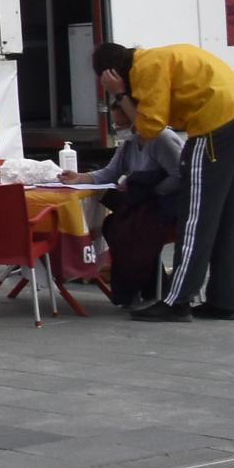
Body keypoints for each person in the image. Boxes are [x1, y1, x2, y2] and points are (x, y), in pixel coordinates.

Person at [92, 41, 234, 322]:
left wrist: (120, 95)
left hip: (213, 129)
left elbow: (150, 128)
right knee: (228, 217)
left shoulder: (146, 69)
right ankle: (224, 300)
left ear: (115, 72)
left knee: (196, 217)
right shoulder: (157, 57)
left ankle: (177, 300)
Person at [87, 94, 188, 309]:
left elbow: (180, 175)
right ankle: (145, 285)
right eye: (117, 124)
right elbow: (110, 173)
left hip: (166, 207)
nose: (120, 128)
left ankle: (137, 288)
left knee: (131, 231)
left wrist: (151, 190)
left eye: (124, 123)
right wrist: (81, 178)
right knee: (114, 226)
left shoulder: (161, 140)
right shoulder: (129, 144)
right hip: (144, 207)